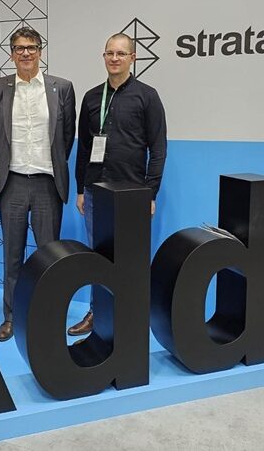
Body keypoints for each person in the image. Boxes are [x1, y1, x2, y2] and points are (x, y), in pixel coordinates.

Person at [68, 32, 167, 336]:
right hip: (96, 192)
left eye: (121, 53)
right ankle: (97, 314)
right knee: (98, 258)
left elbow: (158, 148)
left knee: (131, 258)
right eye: (110, 53)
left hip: (132, 194)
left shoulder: (147, 96)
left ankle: (131, 318)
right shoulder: (91, 97)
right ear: (104, 56)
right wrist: (81, 189)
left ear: (132, 58)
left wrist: (150, 192)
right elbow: (84, 148)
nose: (114, 58)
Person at [0, 26, 76, 341]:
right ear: (12, 54)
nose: (26, 53)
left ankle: (47, 315)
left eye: (32, 47)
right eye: (19, 48)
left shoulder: (61, 88)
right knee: (12, 256)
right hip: (11, 183)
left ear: (40, 51)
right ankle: (11, 317)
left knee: (49, 257)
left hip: (47, 185)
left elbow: (67, 136)